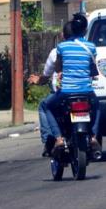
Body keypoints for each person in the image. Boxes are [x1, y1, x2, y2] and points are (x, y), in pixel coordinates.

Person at [41, 14, 102, 150]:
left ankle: (58, 138)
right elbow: (93, 70)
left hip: (66, 92)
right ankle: (93, 137)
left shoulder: (62, 47)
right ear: (85, 30)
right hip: (86, 92)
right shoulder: (91, 47)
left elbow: (57, 67)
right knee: (97, 107)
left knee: (47, 106)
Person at [28, 23, 70, 157]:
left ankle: (50, 140)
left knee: (44, 106)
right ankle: (92, 137)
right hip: (85, 91)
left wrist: (38, 80)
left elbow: (46, 76)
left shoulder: (57, 51)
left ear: (63, 35)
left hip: (62, 93)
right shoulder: (88, 47)